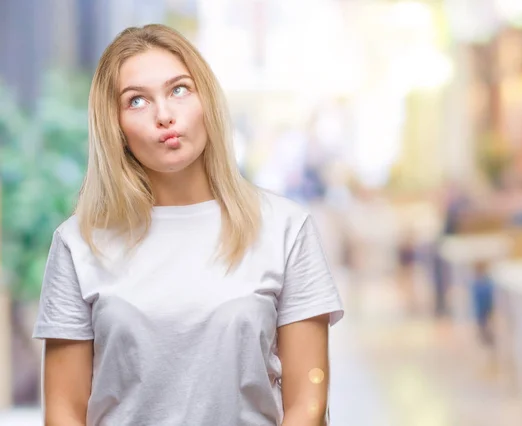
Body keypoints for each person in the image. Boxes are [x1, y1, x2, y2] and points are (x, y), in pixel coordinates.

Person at [32, 24, 344, 426]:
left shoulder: (286, 228)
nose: (165, 115)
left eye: (179, 90)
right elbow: (63, 410)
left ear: (206, 101)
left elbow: (309, 402)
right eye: (137, 101)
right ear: (116, 127)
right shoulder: (79, 243)